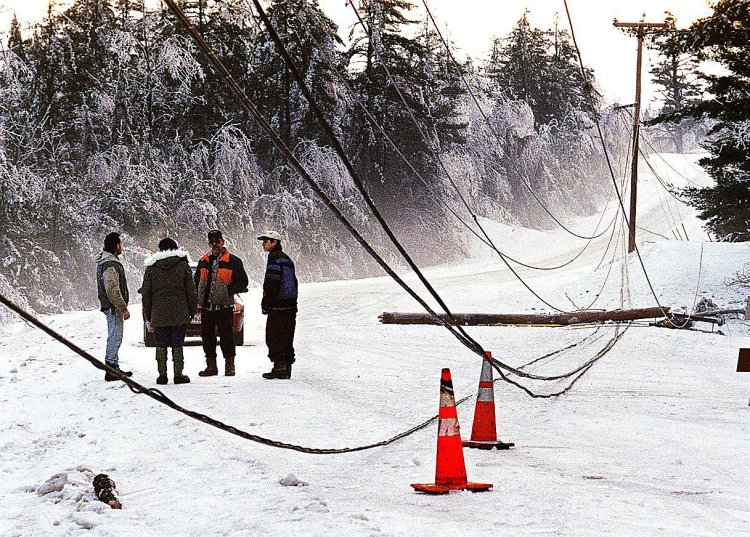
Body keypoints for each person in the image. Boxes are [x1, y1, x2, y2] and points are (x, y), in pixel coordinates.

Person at [140, 238, 197, 385]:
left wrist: (149, 313)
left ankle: (162, 376)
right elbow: (190, 290)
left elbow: (146, 292)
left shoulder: (151, 268)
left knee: (161, 344)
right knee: (177, 343)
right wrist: (192, 310)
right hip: (180, 310)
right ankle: (178, 375)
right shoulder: (183, 265)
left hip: (159, 312)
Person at [194, 229, 248, 377]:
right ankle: (211, 366)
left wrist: (228, 290)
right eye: (212, 242)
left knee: (227, 336)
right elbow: (196, 281)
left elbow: (243, 281)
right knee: (207, 337)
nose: (214, 245)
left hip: (224, 305)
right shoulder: (203, 261)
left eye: (217, 241)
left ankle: (229, 366)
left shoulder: (233, 261)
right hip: (206, 306)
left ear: (223, 242)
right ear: (209, 243)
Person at [257, 231, 298, 380]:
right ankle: (286, 367)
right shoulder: (287, 259)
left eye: (266, 241)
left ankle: (279, 366)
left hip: (278, 306)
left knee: (274, 336)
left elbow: (272, 282)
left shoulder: (274, 259)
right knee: (287, 337)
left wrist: (266, 302)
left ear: (274, 242)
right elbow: (294, 282)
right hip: (290, 305)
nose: (264, 244)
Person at [95, 232, 132, 381]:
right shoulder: (110, 264)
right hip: (113, 306)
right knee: (115, 336)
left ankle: (114, 366)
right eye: (121, 243)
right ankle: (111, 368)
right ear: (116, 245)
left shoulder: (106, 261)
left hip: (111, 305)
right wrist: (122, 307)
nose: (122, 246)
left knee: (115, 335)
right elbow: (112, 288)